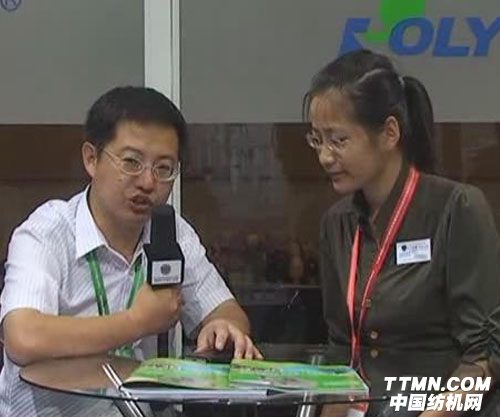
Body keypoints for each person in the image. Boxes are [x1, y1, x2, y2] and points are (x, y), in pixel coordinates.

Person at [0, 86, 262, 417]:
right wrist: (136, 322)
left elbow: (228, 312)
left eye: (163, 168)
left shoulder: (171, 231)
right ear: (91, 158)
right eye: (131, 162)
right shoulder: (48, 232)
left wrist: (222, 326)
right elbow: (23, 339)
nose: (148, 182)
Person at [303, 49, 500, 416]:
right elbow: (340, 350)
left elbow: (484, 356)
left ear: (389, 133)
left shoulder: (456, 208)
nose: (325, 156)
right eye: (317, 140)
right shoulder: (336, 223)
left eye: (339, 140)